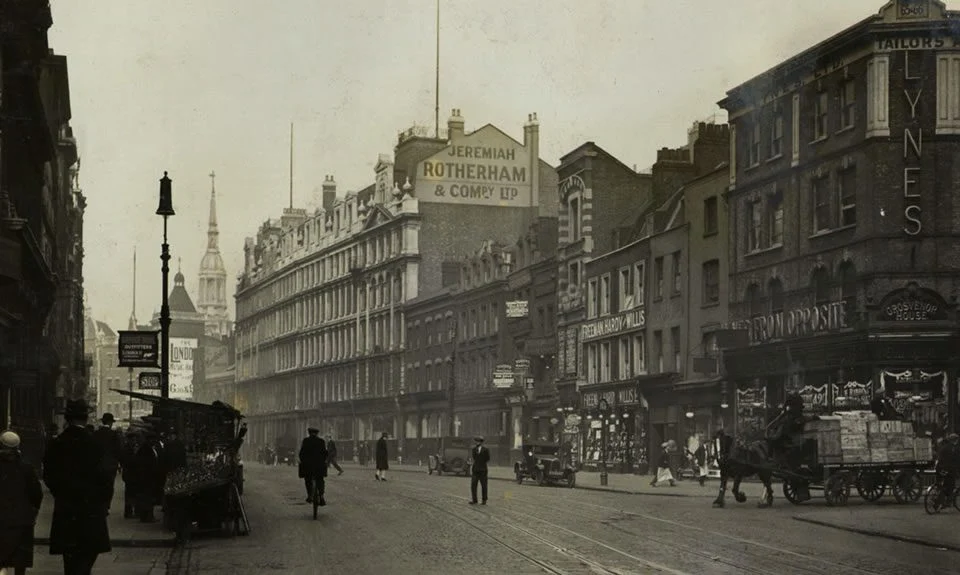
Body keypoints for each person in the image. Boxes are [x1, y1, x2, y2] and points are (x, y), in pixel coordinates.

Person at [42, 399, 112, 575]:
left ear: (67, 419)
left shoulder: (57, 444)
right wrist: (103, 502)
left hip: (67, 509)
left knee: (70, 558)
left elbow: (49, 476)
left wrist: (61, 494)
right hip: (91, 509)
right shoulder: (95, 444)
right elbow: (106, 477)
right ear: (86, 419)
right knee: (87, 556)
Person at [0, 431, 43, 575]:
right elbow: (36, 494)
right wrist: (34, 511)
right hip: (22, 518)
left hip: (2, 518)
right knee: (20, 559)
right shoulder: (26, 468)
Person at [92, 413, 122, 511]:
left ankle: (99, 504)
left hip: (97, 465)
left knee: (99, 486)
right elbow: (118, 450)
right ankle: (106, 506)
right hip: (110, 466)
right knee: (109, 487)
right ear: (110, 423)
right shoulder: (114, 435)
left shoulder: (96, 434)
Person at [298, 428, 327, 506]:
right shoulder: (321, 441)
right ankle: (321, 496)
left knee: (307, 480)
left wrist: (303, 461)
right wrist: (323, 461)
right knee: (320, 480)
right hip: (319, 466)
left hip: (308, 466)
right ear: (317, 433)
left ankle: (309, 496)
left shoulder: (306, 441)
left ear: (309, 433)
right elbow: (325, 454)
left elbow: (301, 453)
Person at [935, 433, 960, 501]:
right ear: (955, 440)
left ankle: (940, 498)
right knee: (951, 485)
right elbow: (957, 460)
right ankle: (946, 500)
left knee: (942, 484)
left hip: (940, 469)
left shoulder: (944, 447)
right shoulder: (954, 448)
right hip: (948, 469)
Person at [468, 436, 490, 505]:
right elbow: (474, 457)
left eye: (478, 441)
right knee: (473, 485)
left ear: (481, 442)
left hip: (483, 470)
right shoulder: (474, 449)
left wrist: (482, 462)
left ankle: (484, 500)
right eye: (476, 441)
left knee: (484, 485)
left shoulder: (485, 450)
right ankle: (474, 500)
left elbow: (487, 458)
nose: (477, 443)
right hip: (475, 470)